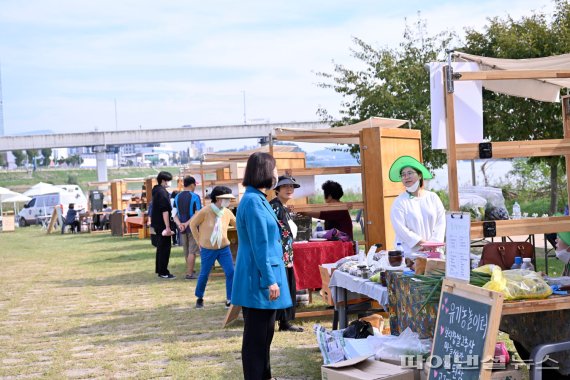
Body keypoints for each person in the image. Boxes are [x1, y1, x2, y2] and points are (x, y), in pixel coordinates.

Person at [231, 152, 292, 380]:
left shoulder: (256, 198)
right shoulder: (253, 202)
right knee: (256, 339)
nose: (277, 174)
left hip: (262, 275)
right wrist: (270, 280)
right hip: (259, 278)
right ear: (265, 171)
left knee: (265, 335)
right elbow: (259, 246)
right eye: (275, 169)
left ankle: (265, 376)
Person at [189, 186, 236, 309]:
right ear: (217, 198)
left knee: (231, 272)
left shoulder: (226, 211)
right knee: (204, 274)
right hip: (207, 249)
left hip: (223, 248)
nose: (228, 201)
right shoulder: (205, 211)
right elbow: (192, 224)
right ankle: (199, 297)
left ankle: (230, 299)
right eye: (226, 199)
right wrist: (198, 240)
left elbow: (237, 224)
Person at [388, 155, 446, 255]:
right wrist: (423, 244)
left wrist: (433, 244)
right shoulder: (399, 202)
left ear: (420, 175)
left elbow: (441, 223)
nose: (406, 177)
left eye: (410, 173)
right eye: (403, 175)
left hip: (434, 252)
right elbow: (401, 229)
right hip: (410, 254)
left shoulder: (433, 197)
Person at [270, 175, 304, 333]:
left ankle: (285, 322)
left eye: (291, 186)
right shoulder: (275, 206)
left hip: (286, 255)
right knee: (282, 288)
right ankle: (281, 321)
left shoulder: (283, 207)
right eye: (285, 186)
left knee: (288, 287)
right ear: (277, 190)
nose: (289, 189)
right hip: (278, 255)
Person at [173, 176, 202, 280]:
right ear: (192, 185)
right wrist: (186, 223)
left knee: (186, 250)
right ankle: (189, 274)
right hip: (192, 227)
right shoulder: (195, 196)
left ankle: (190, 269)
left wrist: (180, 224)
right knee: (192, 251)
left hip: (181, 228)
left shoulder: (177, 197)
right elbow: (197, 213)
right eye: (195, 185)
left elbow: (174, 214)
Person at [151, 171, 176, 279]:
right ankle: (163, 271)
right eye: (168, 180)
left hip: (157, 223)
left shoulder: (156, 190)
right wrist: (167, 227)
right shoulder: (162, 193)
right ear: (163, 181)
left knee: (160, 248)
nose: (170, 182)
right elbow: (165, 210)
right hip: (162, 224)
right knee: (165, 248)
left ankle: (160, 270)